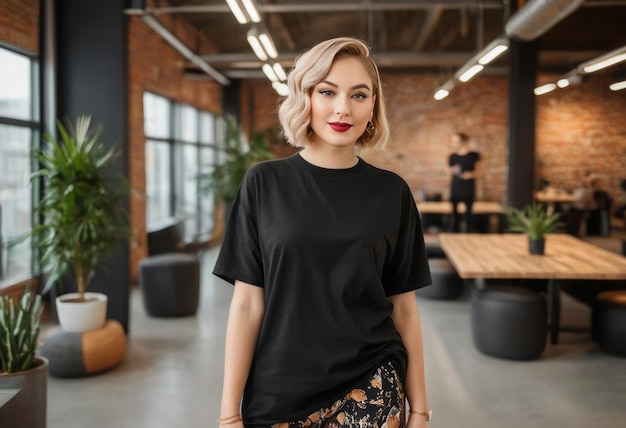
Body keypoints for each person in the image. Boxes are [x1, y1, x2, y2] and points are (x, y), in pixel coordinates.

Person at [213, 37, 432, 428]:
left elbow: (404, 308)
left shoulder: (391, 192)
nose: (343, 108)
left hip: (372, 385)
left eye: (359, 95)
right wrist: (229, 412)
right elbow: (247, 304)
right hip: (278, 391)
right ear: (305, 97)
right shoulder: (263, 183)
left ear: (373, 106)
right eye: (327, 91)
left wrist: (420, 409)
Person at [447, 132, 481, 232]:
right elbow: (449, 170)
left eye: (456, 141)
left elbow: (480, 172)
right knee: (454, 213)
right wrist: (450, 170)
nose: (454, 144)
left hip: (468, 187)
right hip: (456, 186)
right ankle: (453, 234)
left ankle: (468, 234)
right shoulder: (452, 156)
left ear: (464, 142)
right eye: (453, 142)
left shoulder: (474, 155)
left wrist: (471, 174)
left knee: (468, 214)